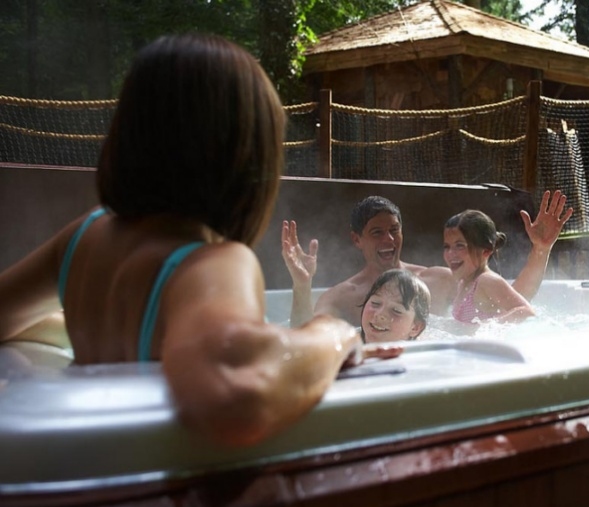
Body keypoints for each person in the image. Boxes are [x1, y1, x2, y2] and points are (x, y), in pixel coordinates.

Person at [0, 34, 362, 447]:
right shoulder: (212, 263)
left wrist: (58, 330)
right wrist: (333, 334)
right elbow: (238, 390)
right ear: (245, 160)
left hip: (89, 469)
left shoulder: (84, 235)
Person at [282, 190, 573, 327]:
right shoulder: (344, 297)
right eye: (377, 233)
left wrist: (540, 250)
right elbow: (302, 336)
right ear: (356, 239)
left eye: (394, 230)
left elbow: (515, 300)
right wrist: (301, 286)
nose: (389, 240)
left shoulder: (437, 279)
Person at [444, 210, 535, 324]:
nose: (451, 253)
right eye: (447, 246)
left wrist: (487, 327)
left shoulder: (486, 280)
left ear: (486, 251)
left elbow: (527, 312)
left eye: (460, 245)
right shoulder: (464, 282)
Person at [360, 268, 429, 345]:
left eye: (396, 310)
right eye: (375, 303)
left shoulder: (420, 355)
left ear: (415, 327)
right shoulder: (346, 344)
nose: (380, 314)